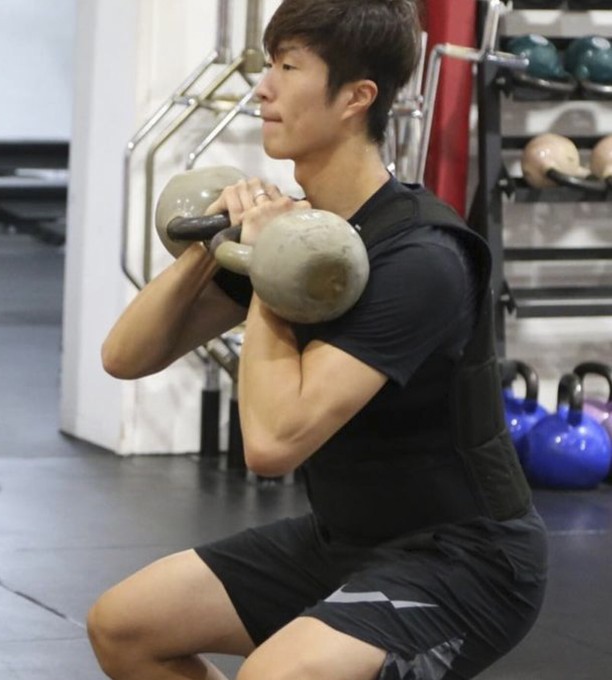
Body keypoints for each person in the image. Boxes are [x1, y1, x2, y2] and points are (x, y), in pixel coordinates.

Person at [88, 1, 548, 678]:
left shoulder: (423, 258)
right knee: (124, 626)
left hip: (466, 559)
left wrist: (272, 268)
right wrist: (212, 250)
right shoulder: (297, 228)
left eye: (288, 67)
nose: (263, 87)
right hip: (348, 538)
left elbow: (272, 446)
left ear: (356, 98)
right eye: (269, 63)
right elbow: (124, 355)